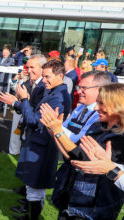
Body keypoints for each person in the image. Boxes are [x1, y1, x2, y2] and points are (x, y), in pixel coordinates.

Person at [0, 59, 71, 220]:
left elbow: (33, 120)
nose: (44, 80)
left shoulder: (57, 96)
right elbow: (35, 114)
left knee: (35, 189)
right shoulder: (54, 91)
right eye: (43, 77)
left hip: (42, 148)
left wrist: (22, 100)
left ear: (60, 76)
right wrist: (18, 103)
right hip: (39, 144)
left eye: (47, 77)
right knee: (34, 188)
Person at [41, 83, 124, 219]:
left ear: (117, 105)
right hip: (72, 197)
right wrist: (54, 131)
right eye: (97, 102)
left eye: (101, 103)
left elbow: (83, 159)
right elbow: (73, 156)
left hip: (94, 208)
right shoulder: (98, 125)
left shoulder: (120, 138)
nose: (96, 108)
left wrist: (58, 131)